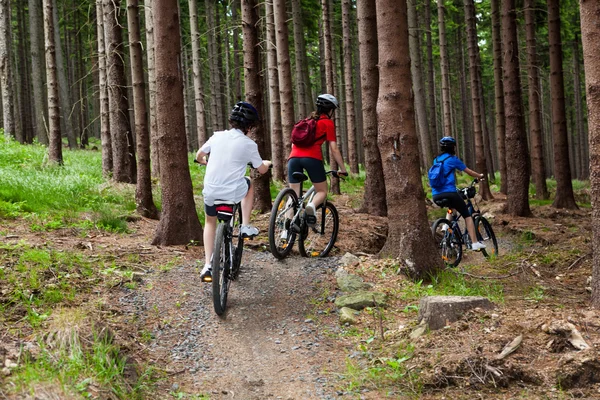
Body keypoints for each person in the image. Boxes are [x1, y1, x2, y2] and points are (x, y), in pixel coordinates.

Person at [195, 101, 272, 282]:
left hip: (211, 192)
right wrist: (267, 164)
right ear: (250, 125)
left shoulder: (217, 137)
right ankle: (245, 225)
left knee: (209, 222)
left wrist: (204, 162)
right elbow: (261, 170)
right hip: (232, 193)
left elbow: (199, 155)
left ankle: (207, 264)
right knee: (248, 183)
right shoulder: (249, 144)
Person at [287, 94, 347, 227]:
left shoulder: (305, 121)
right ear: (330, 110)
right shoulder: (327, 123)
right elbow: (334, 149)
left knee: (293, 196)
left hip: (293, 158)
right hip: (312, 158)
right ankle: (312, 206)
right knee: (322, 191)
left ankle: (286, 231)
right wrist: (343, 169)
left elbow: (293, 144)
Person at [430, 136, 486, 251]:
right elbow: (468, 171)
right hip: (450, 192)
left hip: (435, 195)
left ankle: (446, 225)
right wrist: (479, 176)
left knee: (452, 207)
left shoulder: (436, 160)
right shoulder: (452, 159)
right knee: (467, 215)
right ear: (452, 147)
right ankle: (475, 243)